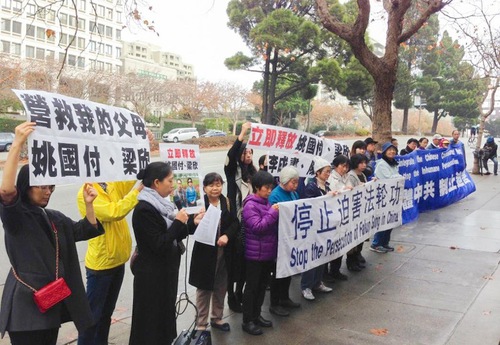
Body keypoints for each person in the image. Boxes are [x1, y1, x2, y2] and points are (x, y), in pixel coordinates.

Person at [0, 122, 104, 345]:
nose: (48, 192)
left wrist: (89, 204)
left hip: (51, 302)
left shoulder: (53, 216)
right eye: (42, 187)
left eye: (51, 187)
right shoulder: (16, 217)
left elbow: (83, 230)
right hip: (26, 309)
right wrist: (17, 144)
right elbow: (7, 192)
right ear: (27, 186)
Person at [129, 162, 203, 345]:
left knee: (164, 320)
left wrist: (192, 223)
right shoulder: (144, 209)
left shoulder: (163, 205)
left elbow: (174, 233)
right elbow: (159, 244)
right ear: (156, 182)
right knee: (150, 325)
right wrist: (179, 223)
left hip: (165, 274)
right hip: (151, 278)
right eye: (169, 180)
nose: (172, 184)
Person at [76, 180, 143, 345]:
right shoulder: (86, 192)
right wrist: (137, 192)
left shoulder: (110, 185)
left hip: (117, 261)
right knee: (92, 318)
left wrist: (139, 170)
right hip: (101, 265)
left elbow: (126, 181)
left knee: (106, 314)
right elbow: (114, 212)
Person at [189, 173, 239, 332]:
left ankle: (217, 318)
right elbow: (189, 226)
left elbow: (235, 223)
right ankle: (201, 323)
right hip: (205, 253)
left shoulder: (226, 202)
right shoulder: (199, 203)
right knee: (204, 289)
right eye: (211, 185)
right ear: (204, 187)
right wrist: (194, 221)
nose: (215, 188)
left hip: (223, 251)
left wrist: (226, 236)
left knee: (221, 286)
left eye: (218, 184)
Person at [224, 121, 257, 312]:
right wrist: (243, 132)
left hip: (249, 224)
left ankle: (239, 292)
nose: (248, 155)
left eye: (250, 153)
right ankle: (230, 295)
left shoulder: (254, 174)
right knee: (233, 263)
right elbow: (230, 154)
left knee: (245, 262)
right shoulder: (232, 173)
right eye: (245, 152)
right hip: (234, 223)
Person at [241, 171, 279, 336]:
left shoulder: (267, 202)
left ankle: (257, 316)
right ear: (257, 187)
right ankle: (247, 320)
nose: (269, 191)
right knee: (252, 288)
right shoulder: (250, 205)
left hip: (267, 253)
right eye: (266, 187)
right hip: (254, 254)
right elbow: (258, 227)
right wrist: (273, 213)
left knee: (262, 286)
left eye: (271, 187)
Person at [300, 156, 335, 301]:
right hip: (313, 228)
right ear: (317, 173)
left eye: (329, 172)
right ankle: (306, 286)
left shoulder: (327, 185)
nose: (328, 174)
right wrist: (327, 197)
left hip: (324, 226)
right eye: (326, 172)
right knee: (312, 257)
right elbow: (312, 205)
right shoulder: (311, 187)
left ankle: (317, 282)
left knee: (322, 256)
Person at [268, 166, 302, 317]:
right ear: (284, 181)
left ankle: (285, 297)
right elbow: (273, 216)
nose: (295, 186)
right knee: (277, 272)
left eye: (297, 182)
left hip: (290, 237)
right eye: (293, 182)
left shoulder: (293, 193)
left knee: (288, 269)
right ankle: (274, 303)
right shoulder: (275, 195)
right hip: (279, 238)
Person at [370, 142, 403, 253]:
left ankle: (385, 243)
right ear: (384, 151)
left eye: (394, 150)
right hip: (383, 197)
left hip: (392, 196)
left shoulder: (393, 163)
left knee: (391, 220)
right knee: (383, 221)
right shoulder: (381, 164)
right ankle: (376, 244)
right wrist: (399, 177)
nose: (392, 152)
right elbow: (389, 178)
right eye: (389, 150)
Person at [325, 155, 352, 282]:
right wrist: (343, 190)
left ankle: (336, 270)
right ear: (336, 166)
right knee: (330, 245)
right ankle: (326, 273)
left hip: (344, 213)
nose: (345, 169)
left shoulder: (346, 176)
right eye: (342, 166)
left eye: (347, 166)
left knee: (341, 243)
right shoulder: (331, 177)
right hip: (333, 214)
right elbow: (333, 192)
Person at [345, 154, 370, 271]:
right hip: (354, 210)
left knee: (361, 236)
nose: (364, 165)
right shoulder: (351, 175)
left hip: (362, 209)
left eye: (365, 163)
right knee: (353, 238)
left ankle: (357, 257)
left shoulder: (363, 175)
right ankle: (351, 261)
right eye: (361, 163)